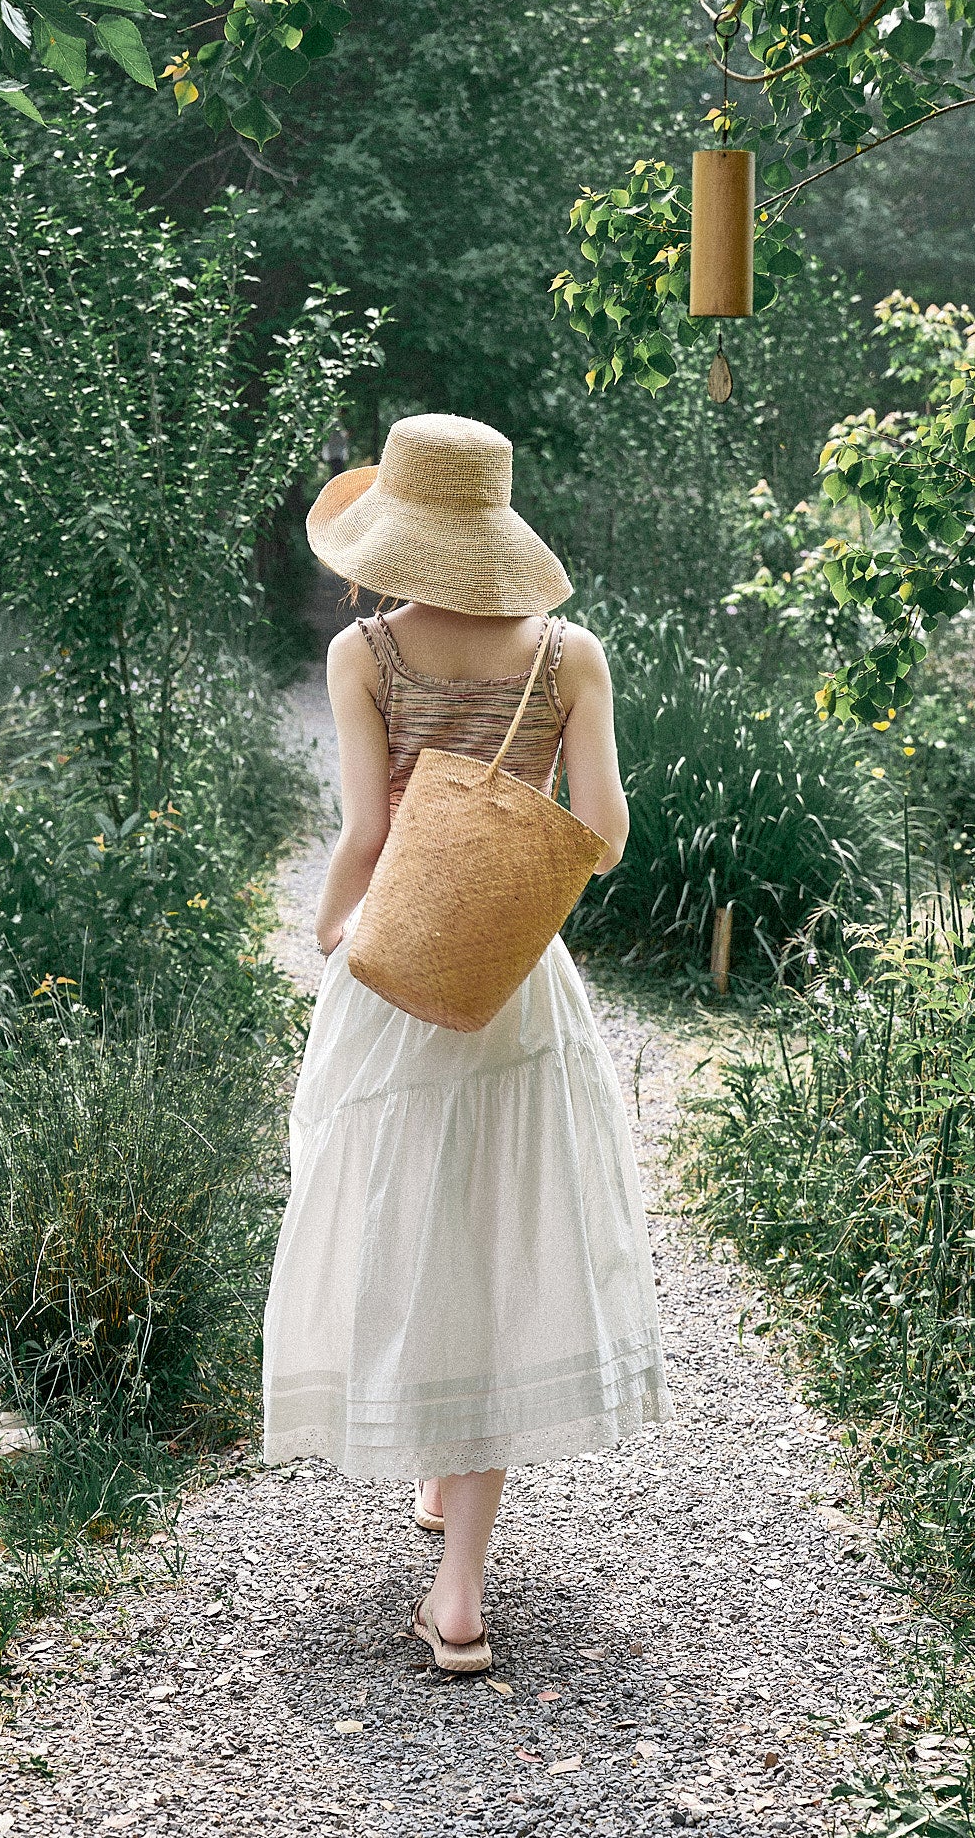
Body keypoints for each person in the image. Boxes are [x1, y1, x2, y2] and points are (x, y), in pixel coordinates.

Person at [262, 413, 672, 1674]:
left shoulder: (364, 651)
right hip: (516, 987)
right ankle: (461, 1591)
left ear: (396, 528)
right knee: (498, 1236)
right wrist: (510, 912)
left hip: (394, 971)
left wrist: (333, 932)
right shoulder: (569, 655)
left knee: (412, 1220)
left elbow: (366, 833)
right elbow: (597, 828)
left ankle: (433, 1476)